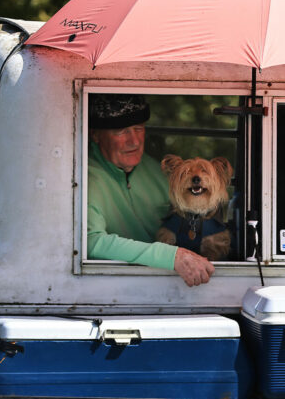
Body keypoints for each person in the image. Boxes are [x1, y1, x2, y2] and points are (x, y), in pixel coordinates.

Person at [85, 94, 214, 286]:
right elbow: (89, 243)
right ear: (95, 135)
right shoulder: (83, 176)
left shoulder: (158, 172)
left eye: (139, 129)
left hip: (170, 284)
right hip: (107, 286)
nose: (134, 141)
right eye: (121, 131)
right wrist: (171, 257)